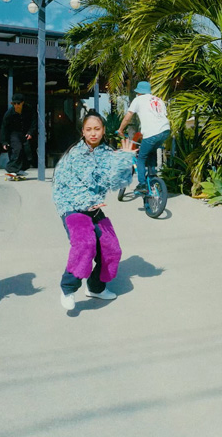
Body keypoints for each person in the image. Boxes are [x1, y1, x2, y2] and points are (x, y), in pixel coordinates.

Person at [51, 110, 137, 310]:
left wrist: (125, 160)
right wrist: (85, 204)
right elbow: (71, 185)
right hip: (72, 207)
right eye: (88, 129)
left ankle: (96, 288)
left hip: (94, 208)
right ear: (82, 131)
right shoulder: (75, 154)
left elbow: (116, 183)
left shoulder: (107, 153)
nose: (93, 133)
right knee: (85, 245)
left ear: (103, 130)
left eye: (97, 129)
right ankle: (68, 289)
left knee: (111, 249)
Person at [117, 81, 170, 194]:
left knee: (141, 158)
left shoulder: (138, 100)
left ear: (139, 92)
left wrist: (120, 130)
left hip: (152, 133)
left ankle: (142, 184)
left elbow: (128, 117)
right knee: (151, 152)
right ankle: (152, 176)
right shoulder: (159, 100)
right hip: (165, 131)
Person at [1, 93, 37, 178]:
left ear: (22, 103)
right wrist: (4, 141)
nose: (16, 106)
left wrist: (30, 132)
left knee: (28, 152)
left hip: (25, 132)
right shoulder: (9, 113)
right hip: (14, 133)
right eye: (14, 104)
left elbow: (34, 122)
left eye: (18, 103)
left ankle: (20, 169)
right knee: (17, 149)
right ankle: (11, 169)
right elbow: (4, 127)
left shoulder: (29, 110)